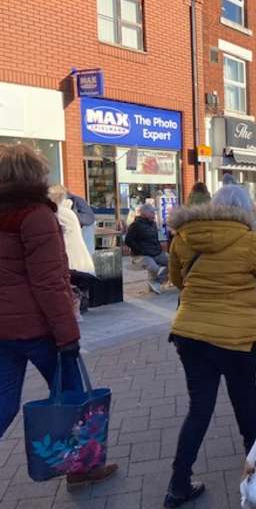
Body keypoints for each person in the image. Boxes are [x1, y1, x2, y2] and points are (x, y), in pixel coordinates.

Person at [0, 144, 117, 486]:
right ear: (34, 176)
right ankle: (83, 469)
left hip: (3, 331)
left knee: (3, 405)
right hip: (38, 329)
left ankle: (82, 467)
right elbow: (49, 282)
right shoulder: (36, 215)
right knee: (72, 394)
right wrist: (68, 335)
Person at [164, 184, 256, 509]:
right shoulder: (248, 238)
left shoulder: (184, 234)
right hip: (236, 338)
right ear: (246, 210)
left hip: (190, 334)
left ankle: (178, 483)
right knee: (245, 402)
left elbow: (178, 280)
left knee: (199, 408)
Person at [48, 185, 97, 318]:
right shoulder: (67, 211)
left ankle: (76, 311)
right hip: (76, 257)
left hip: (71, 257)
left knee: (71, 286)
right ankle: (77, 310)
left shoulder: (61, 212)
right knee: (74, 286)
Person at [125, 203, 168, 294]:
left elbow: (155, 239)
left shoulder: (153, 224)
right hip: (142, 254)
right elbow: (128, 240)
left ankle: (157, 281)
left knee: (174, 262)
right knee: (154, 267)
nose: (154, 215)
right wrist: (140, 250)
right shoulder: (135, 225)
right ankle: (154, 282)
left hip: (156, 252)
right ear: (145, 213)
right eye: (152, 212)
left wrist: (159, 249)